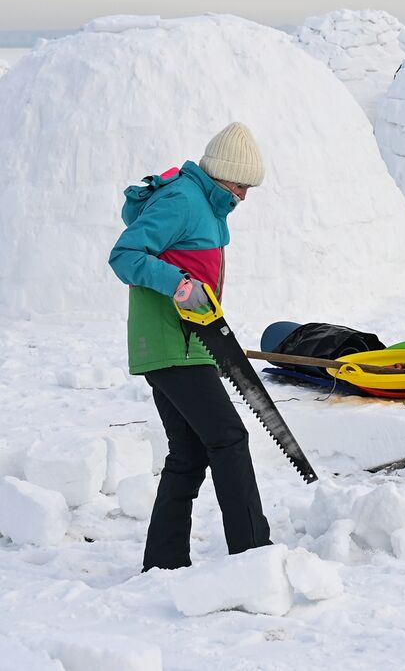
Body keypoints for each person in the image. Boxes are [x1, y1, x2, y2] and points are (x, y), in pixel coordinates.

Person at [108, 122, 271, 571]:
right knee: (230, 439)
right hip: (171, 345)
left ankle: (164, 563)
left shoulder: (204, 204)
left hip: (187, 343)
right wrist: (179, 286)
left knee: (191, 451)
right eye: (241, 184)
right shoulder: (183, 199)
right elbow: (125, 254)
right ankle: (253, 555)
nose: (243, 195)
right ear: (222, 175)